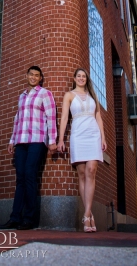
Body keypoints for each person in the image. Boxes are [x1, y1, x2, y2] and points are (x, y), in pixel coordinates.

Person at [0, 65, 57, 230]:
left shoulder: (45, 94)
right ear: (27, 75)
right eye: (31, 74)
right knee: (20, 178)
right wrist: (12, 140)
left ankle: (29, 219)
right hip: (21, 141)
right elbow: (17, 119)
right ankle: (15, 218)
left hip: (37, 141)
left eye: (37, 75)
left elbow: (51, 117)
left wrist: (52, 140)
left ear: (40, 78)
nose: (33, 77)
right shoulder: (21, 97)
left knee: (30, 174)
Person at [57, 68, 107, 232]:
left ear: (86, 79)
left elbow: (98, 117)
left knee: (91, 170)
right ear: (74, 78)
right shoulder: (69, 95)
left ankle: (86, 215)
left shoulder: (93, 96)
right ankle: (89, 215)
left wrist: (104, 137)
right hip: (78, 135)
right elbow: (65, 117)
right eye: (78, 76)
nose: (81, 78)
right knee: (82, 174)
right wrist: (61, 139)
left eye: (83, 76)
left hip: (93, 135)